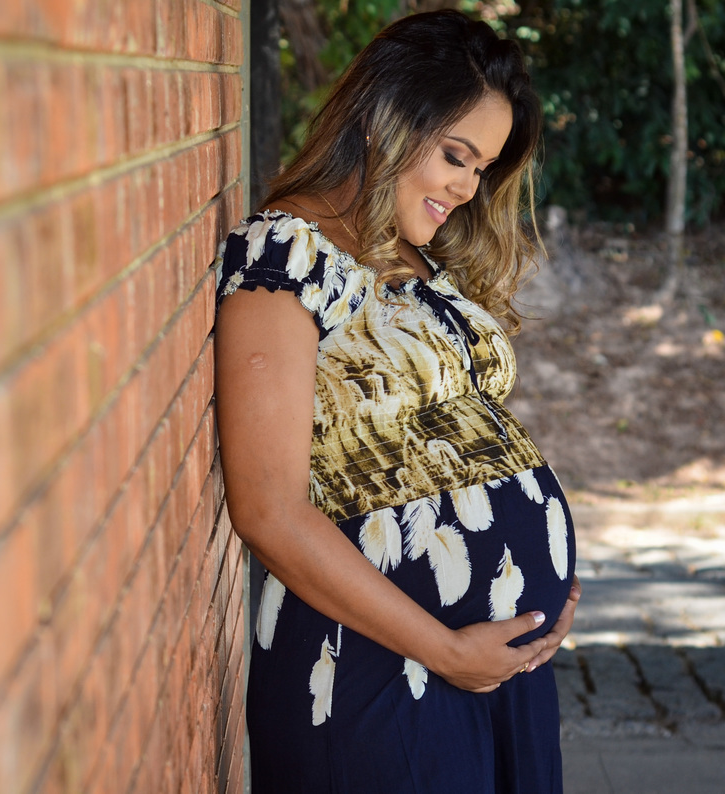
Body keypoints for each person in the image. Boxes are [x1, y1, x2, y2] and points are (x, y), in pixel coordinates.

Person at [213, 10, 584, 793]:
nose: (467, 186)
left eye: (481, 167)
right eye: (456, 154)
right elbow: (268, 512)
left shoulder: (410, 254)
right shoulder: (284, 254)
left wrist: (537, 593)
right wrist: (448, 650)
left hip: (493, 672)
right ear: (388, 118)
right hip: (373, 672)